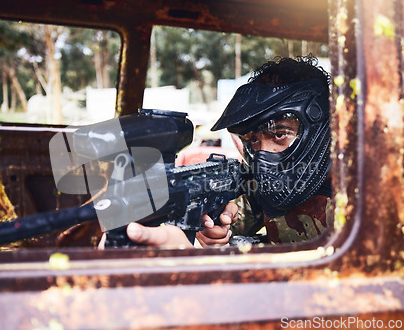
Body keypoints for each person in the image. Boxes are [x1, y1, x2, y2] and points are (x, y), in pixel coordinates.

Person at [111, 55, 332, 248]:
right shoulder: (259, 184)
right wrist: (214, 227)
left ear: (319, 126)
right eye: (253, 140)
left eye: (279, 135)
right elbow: (231, 223)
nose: (264, 154)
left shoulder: (360, 195)